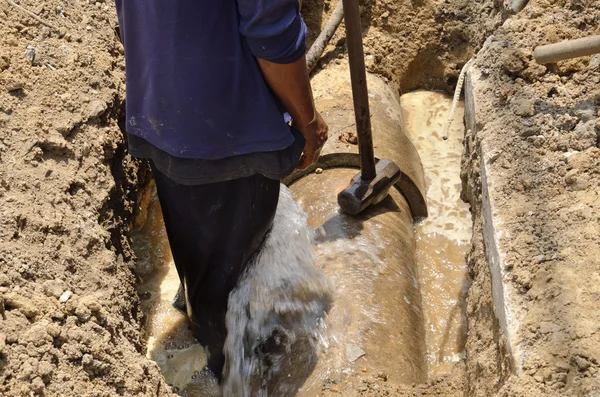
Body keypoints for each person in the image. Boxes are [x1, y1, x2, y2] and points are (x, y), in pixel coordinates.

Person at [114, 0, 328, 380]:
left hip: (159, 106)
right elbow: (272, 33)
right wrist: (307, 119)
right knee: (233, 273)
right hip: (231, 129)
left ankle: (203, 320)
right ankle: (232, 369)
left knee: (197, 246)